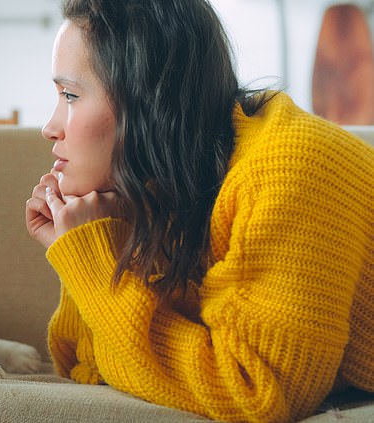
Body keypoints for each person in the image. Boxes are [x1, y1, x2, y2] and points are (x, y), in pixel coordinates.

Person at [25, 0, 374, 422]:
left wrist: (93, 262)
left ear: (151, 98)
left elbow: (257, 394)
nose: (50, 126)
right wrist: (99, 242)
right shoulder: (169, 187)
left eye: (70, 95)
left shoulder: (286, 168)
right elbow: (82, 361)